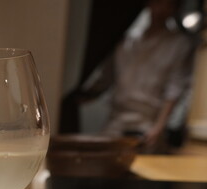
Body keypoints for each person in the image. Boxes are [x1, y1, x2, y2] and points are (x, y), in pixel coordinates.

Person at [78, 0, 195, 153]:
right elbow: (106, 78)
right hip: (116, 121)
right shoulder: (126, 39)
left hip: (148, 124)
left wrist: (159, 127)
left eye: (168, 4)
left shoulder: (178, 44)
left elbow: (175, 87)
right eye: (158, 2)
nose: (161, 9)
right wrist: (77, 97)